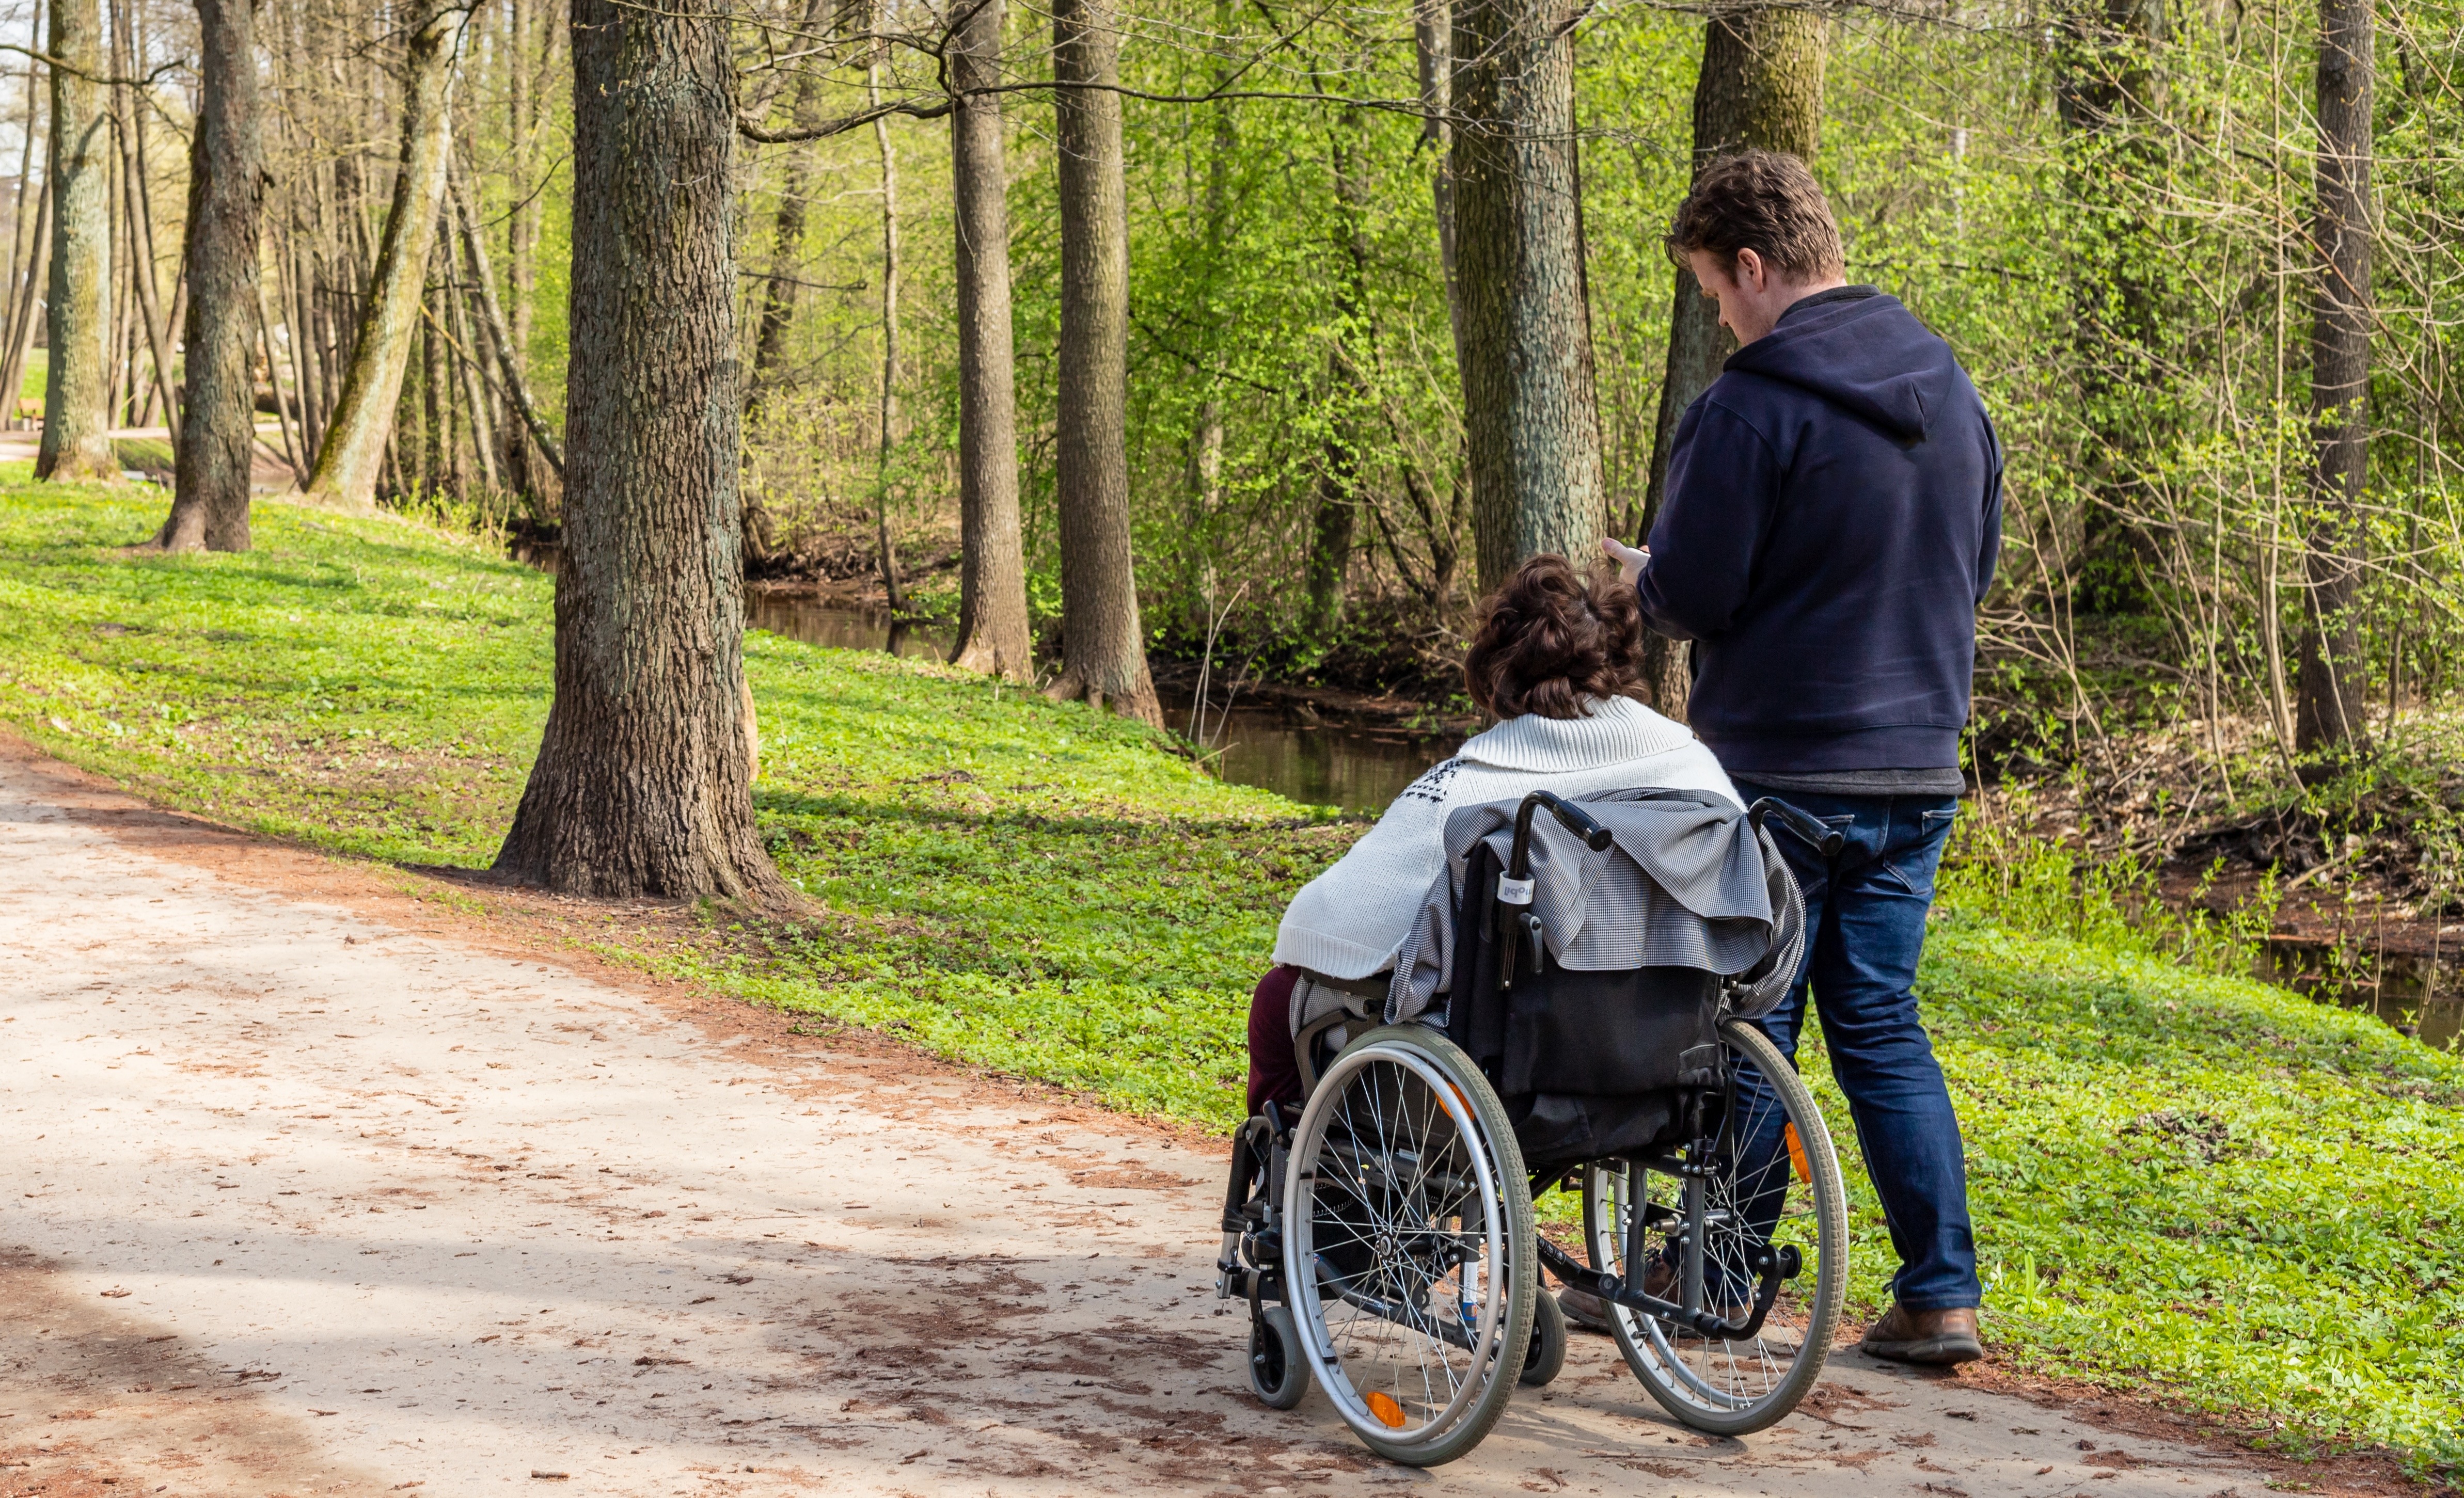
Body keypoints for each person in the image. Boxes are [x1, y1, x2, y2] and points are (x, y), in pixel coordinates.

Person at [1602, 149, 2003, 1366]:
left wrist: (1641, 581)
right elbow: (1971, 568)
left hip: (1780, 765)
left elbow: (1698, 591)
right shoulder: (1948, 386)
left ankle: (1716, 1273)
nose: (1718, 318)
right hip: (1918, 765)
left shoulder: (1746, 405)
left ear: (1751, 266)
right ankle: (1938, 1291)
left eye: (1713, 294)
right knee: (1878, 1021)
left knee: (1747, 1019)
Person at [1247, 553, 1740, 1115]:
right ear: (1620, 654)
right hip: (1661, 1044)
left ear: (1501, 667)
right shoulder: (1694, 770)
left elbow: (1328, 920)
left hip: (1501, 1054)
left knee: (1276, 997)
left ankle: (1296, 1181)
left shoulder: (1474, 782)